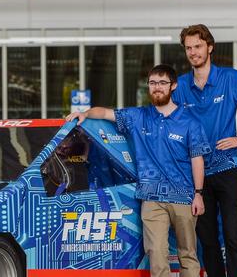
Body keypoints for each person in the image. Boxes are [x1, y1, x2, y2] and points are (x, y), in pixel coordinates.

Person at [66, 64, 210, 277]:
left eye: (162, 83)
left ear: (173, 86)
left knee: (187, 253)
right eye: (152, 83)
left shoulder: (190, 122)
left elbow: (197, 160)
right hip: (151, 198)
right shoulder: (137, 116)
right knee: (156, 252)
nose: (157, 88)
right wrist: (85, 113)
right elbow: (105, 112)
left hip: (184, 196)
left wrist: (198, 194)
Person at [172, 24, 237, 277]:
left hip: (227, 169)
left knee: (232, 235)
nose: (193, 52)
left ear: (210, 47)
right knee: (207, 240)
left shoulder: (230, 78)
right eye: (189, 48)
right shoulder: (181, 85)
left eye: (198, 46)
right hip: (196, 174)